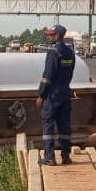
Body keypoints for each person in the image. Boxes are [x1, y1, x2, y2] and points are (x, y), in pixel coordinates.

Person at [37, 24, 75, 166]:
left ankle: (49, 157)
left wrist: (41, 95)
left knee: (48, 125)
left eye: (51, 35)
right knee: (64, 126)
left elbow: (47, 76)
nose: (50, 37)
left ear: (58, 36)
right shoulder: (70, 53)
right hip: (65, 93)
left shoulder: (53, 52)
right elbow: (70, 72)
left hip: (52, 96)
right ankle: (66, 157)